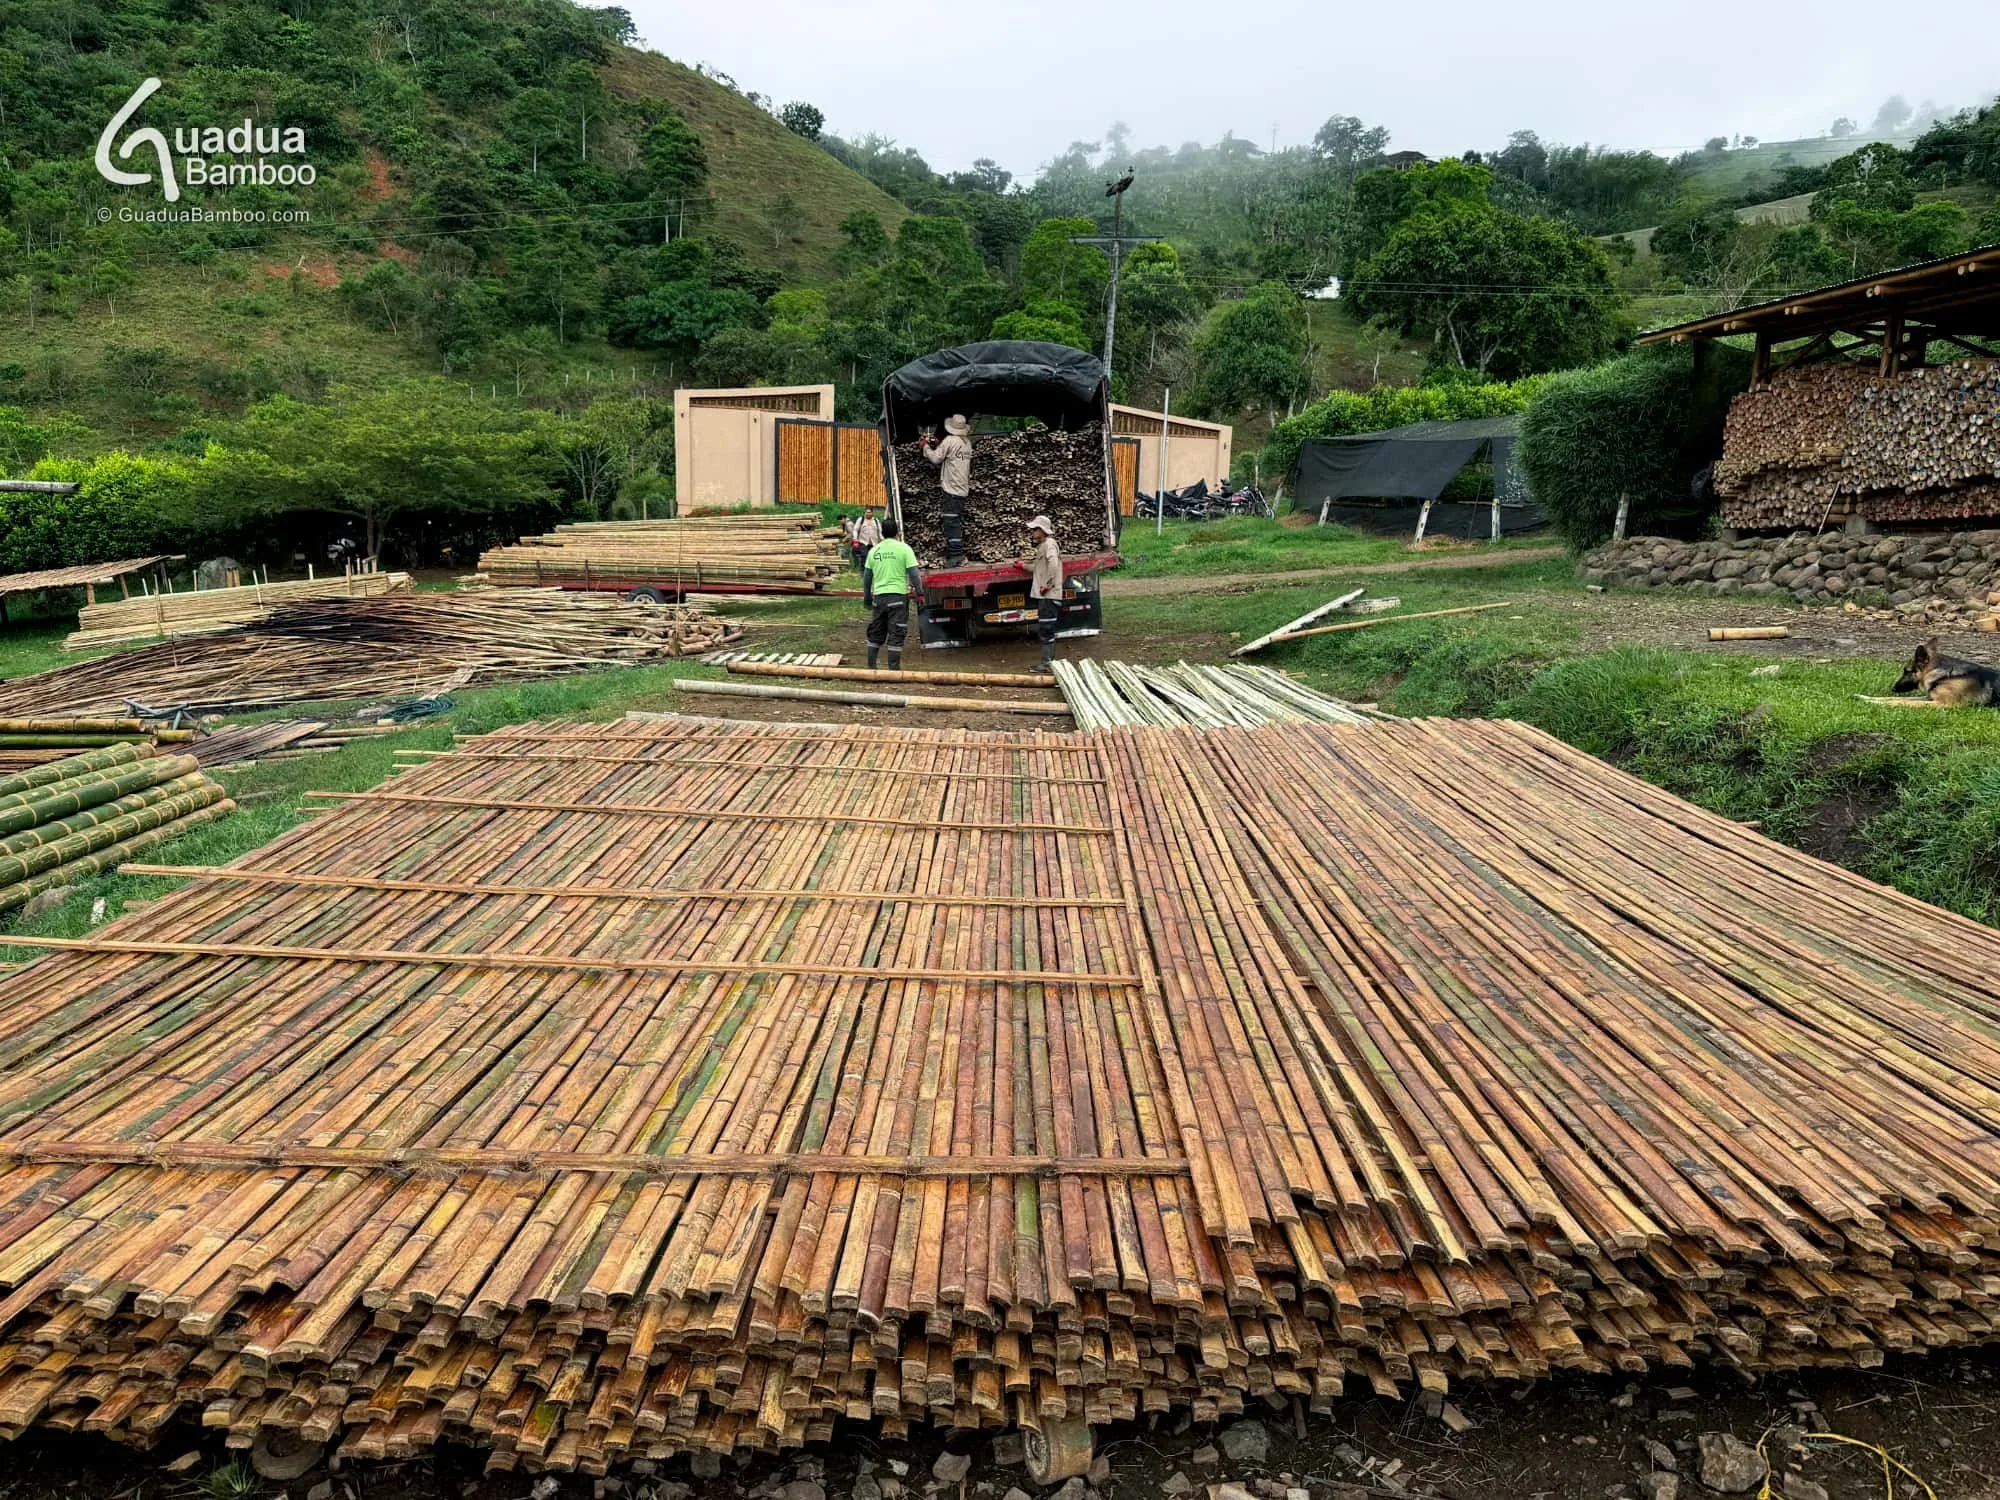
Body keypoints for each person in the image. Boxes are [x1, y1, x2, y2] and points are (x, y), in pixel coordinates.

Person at [862, 516, 924, 671]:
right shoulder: (904, 549)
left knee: (876, 631)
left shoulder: (874, 551)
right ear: (897, 532)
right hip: (897, 598)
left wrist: (868, 598)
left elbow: (867, 577)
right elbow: (914, 574)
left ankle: (871, 668)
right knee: (896, 632)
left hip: (880, 598)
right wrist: (920, 593)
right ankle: (893, 670)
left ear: (881, 533)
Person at [921, 414, 973, 565]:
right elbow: (951, 455)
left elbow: (936, 459)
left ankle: (956, 555)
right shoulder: (966, 443)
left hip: (952, 488)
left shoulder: (950, 441)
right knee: (956, 520)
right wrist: (939, 444)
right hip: (963, 488)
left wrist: (925, 446)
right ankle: (956, 553)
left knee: (951, 521)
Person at [1022, 514, 1063, 672]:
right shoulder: (1043, 546)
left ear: (1042, 530)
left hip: (1048, 595)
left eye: (1035, 529)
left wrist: (1048, 584)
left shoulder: (1049, 544)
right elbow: (1038, 568)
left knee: (1046, 628)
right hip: (1046, 595)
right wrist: (1023, 566)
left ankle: (1047, 664)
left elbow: (1053, 563)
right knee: (1047, 627)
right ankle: (1049, 662)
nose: (1032, 532)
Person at [853, 506, 881, 575]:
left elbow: (880, 532)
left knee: (874, 557)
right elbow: (855, 530)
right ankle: (863, 572)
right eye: (867, 512)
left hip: (874, 543)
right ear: (865, 513)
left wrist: (883, 540)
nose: (868, 514)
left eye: (869, 512)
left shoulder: (876, 521)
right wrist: (855, 539)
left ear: (872, 513)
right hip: (863, 542)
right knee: (864, 556)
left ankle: (874, 572)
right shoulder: (861, 519)